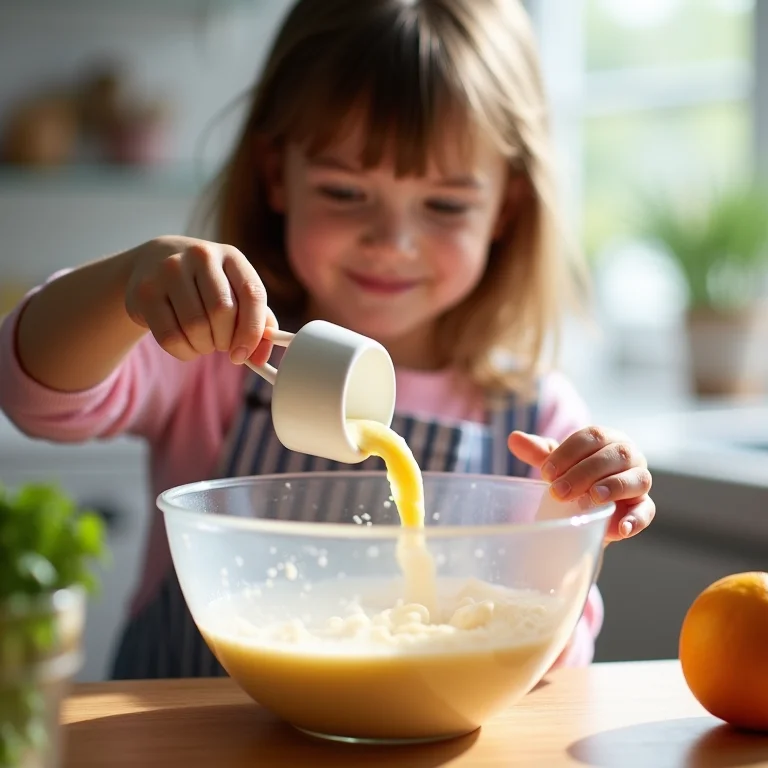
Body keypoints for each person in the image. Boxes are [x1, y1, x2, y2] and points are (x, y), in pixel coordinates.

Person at [0, 0, 655, 679]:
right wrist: (125, 286)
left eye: (445, 205)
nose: (391, 241)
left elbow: (548, 670)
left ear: (505, 209)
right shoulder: (212, 357)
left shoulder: (536, 420)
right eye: (345, 192)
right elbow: (33, 394)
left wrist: (579, 530)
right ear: (276, 175)